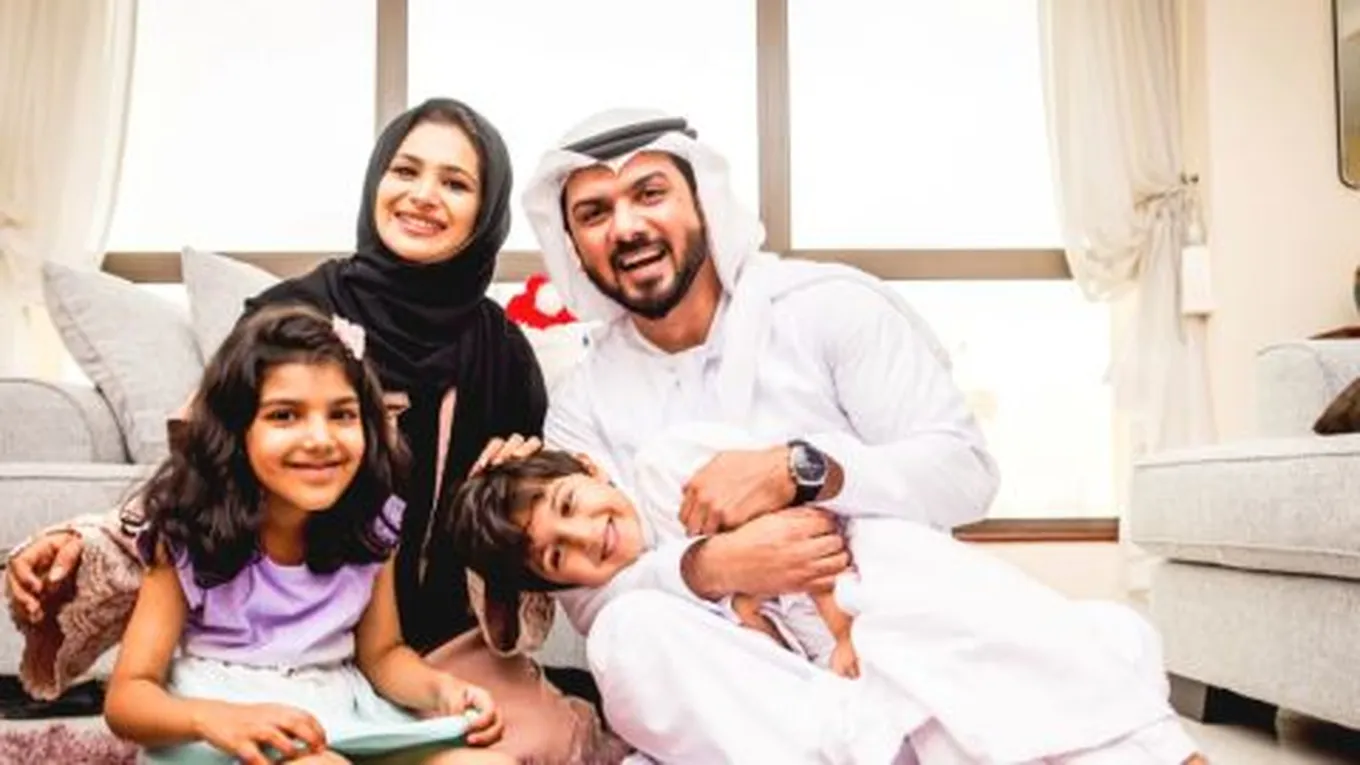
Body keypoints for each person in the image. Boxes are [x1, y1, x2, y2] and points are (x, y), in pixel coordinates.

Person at [487, 108, 1193, 762]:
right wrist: (713, 566)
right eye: (594, 213)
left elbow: (964, 473)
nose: (625, 226)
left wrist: (804, 470)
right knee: (627, 635)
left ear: (701, 200)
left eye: (650, 193)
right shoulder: (582, 400)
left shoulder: (826, 306)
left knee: (918, 569)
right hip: (748, 675)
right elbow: (592, 600)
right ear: (573, 246)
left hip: (879, 616)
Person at [7, 99, 627, 764]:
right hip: (241, 684)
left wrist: (513, 496)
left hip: (420, 646)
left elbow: (519, 538)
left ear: (486, 211)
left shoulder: (500, 356)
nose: (423, 195)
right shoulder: (287, 320)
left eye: (454, 182)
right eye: (405, 171)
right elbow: (199, 468)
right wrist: (86, 540)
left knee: (525, 746)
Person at [448, 423, 1206, 764]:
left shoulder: (667, 471)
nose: (587, 536)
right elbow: (514, 633)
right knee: (627, 634)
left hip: (849, 597)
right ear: (555, 584)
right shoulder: (629, 610)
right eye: (559, 555)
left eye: (573, 505)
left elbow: (810, 529)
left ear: (589, 468)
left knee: (941, 617)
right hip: (816, 701)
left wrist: (842, 631)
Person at [104, 304, 509, 765]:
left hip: (338, 719)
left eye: (342, 415)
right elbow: (127, 699)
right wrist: (214, 719)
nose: (320, 439)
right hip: (221, 732)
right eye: (284, 415)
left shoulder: (371, 527)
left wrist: (442, 690)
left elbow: (382, 654)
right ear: (236, 430)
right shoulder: (188, 535)